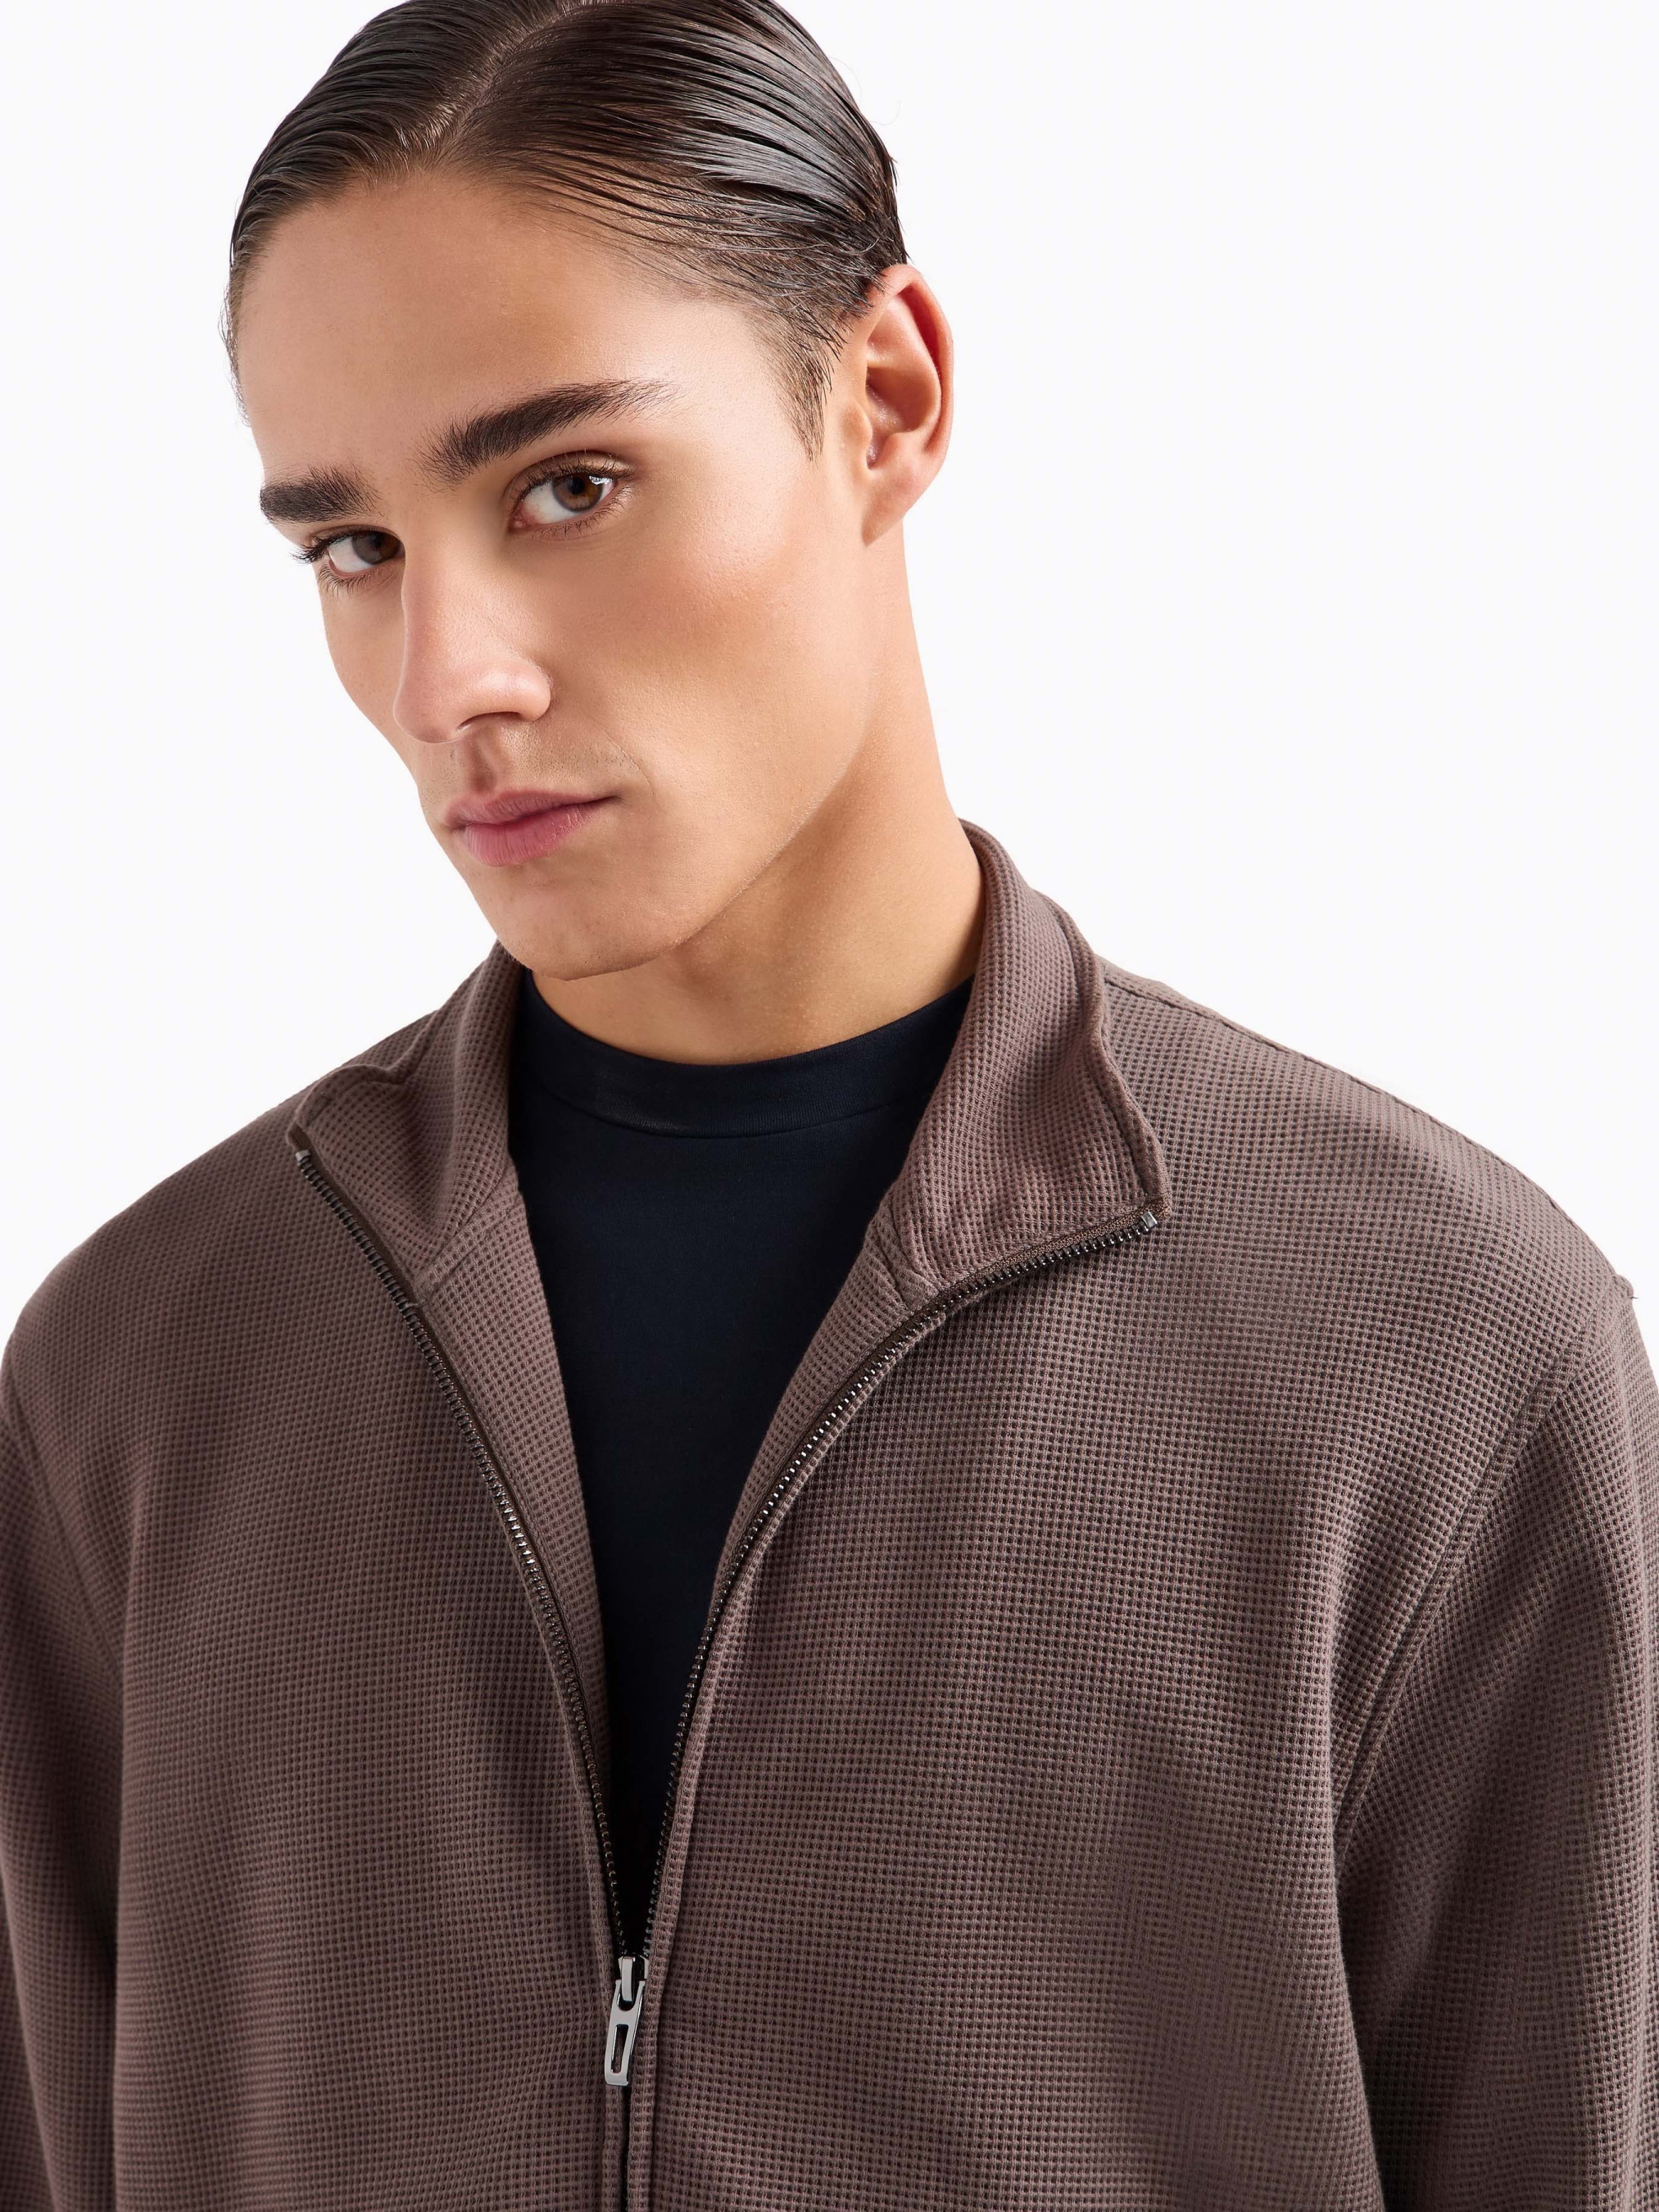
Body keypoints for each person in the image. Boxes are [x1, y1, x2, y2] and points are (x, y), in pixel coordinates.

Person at [2, 0, 1653, 2205]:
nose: (447, 676)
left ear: (885, 401)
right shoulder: (143, 1376)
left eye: (569, 486)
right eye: (354, 548)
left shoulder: (1431, 1348)